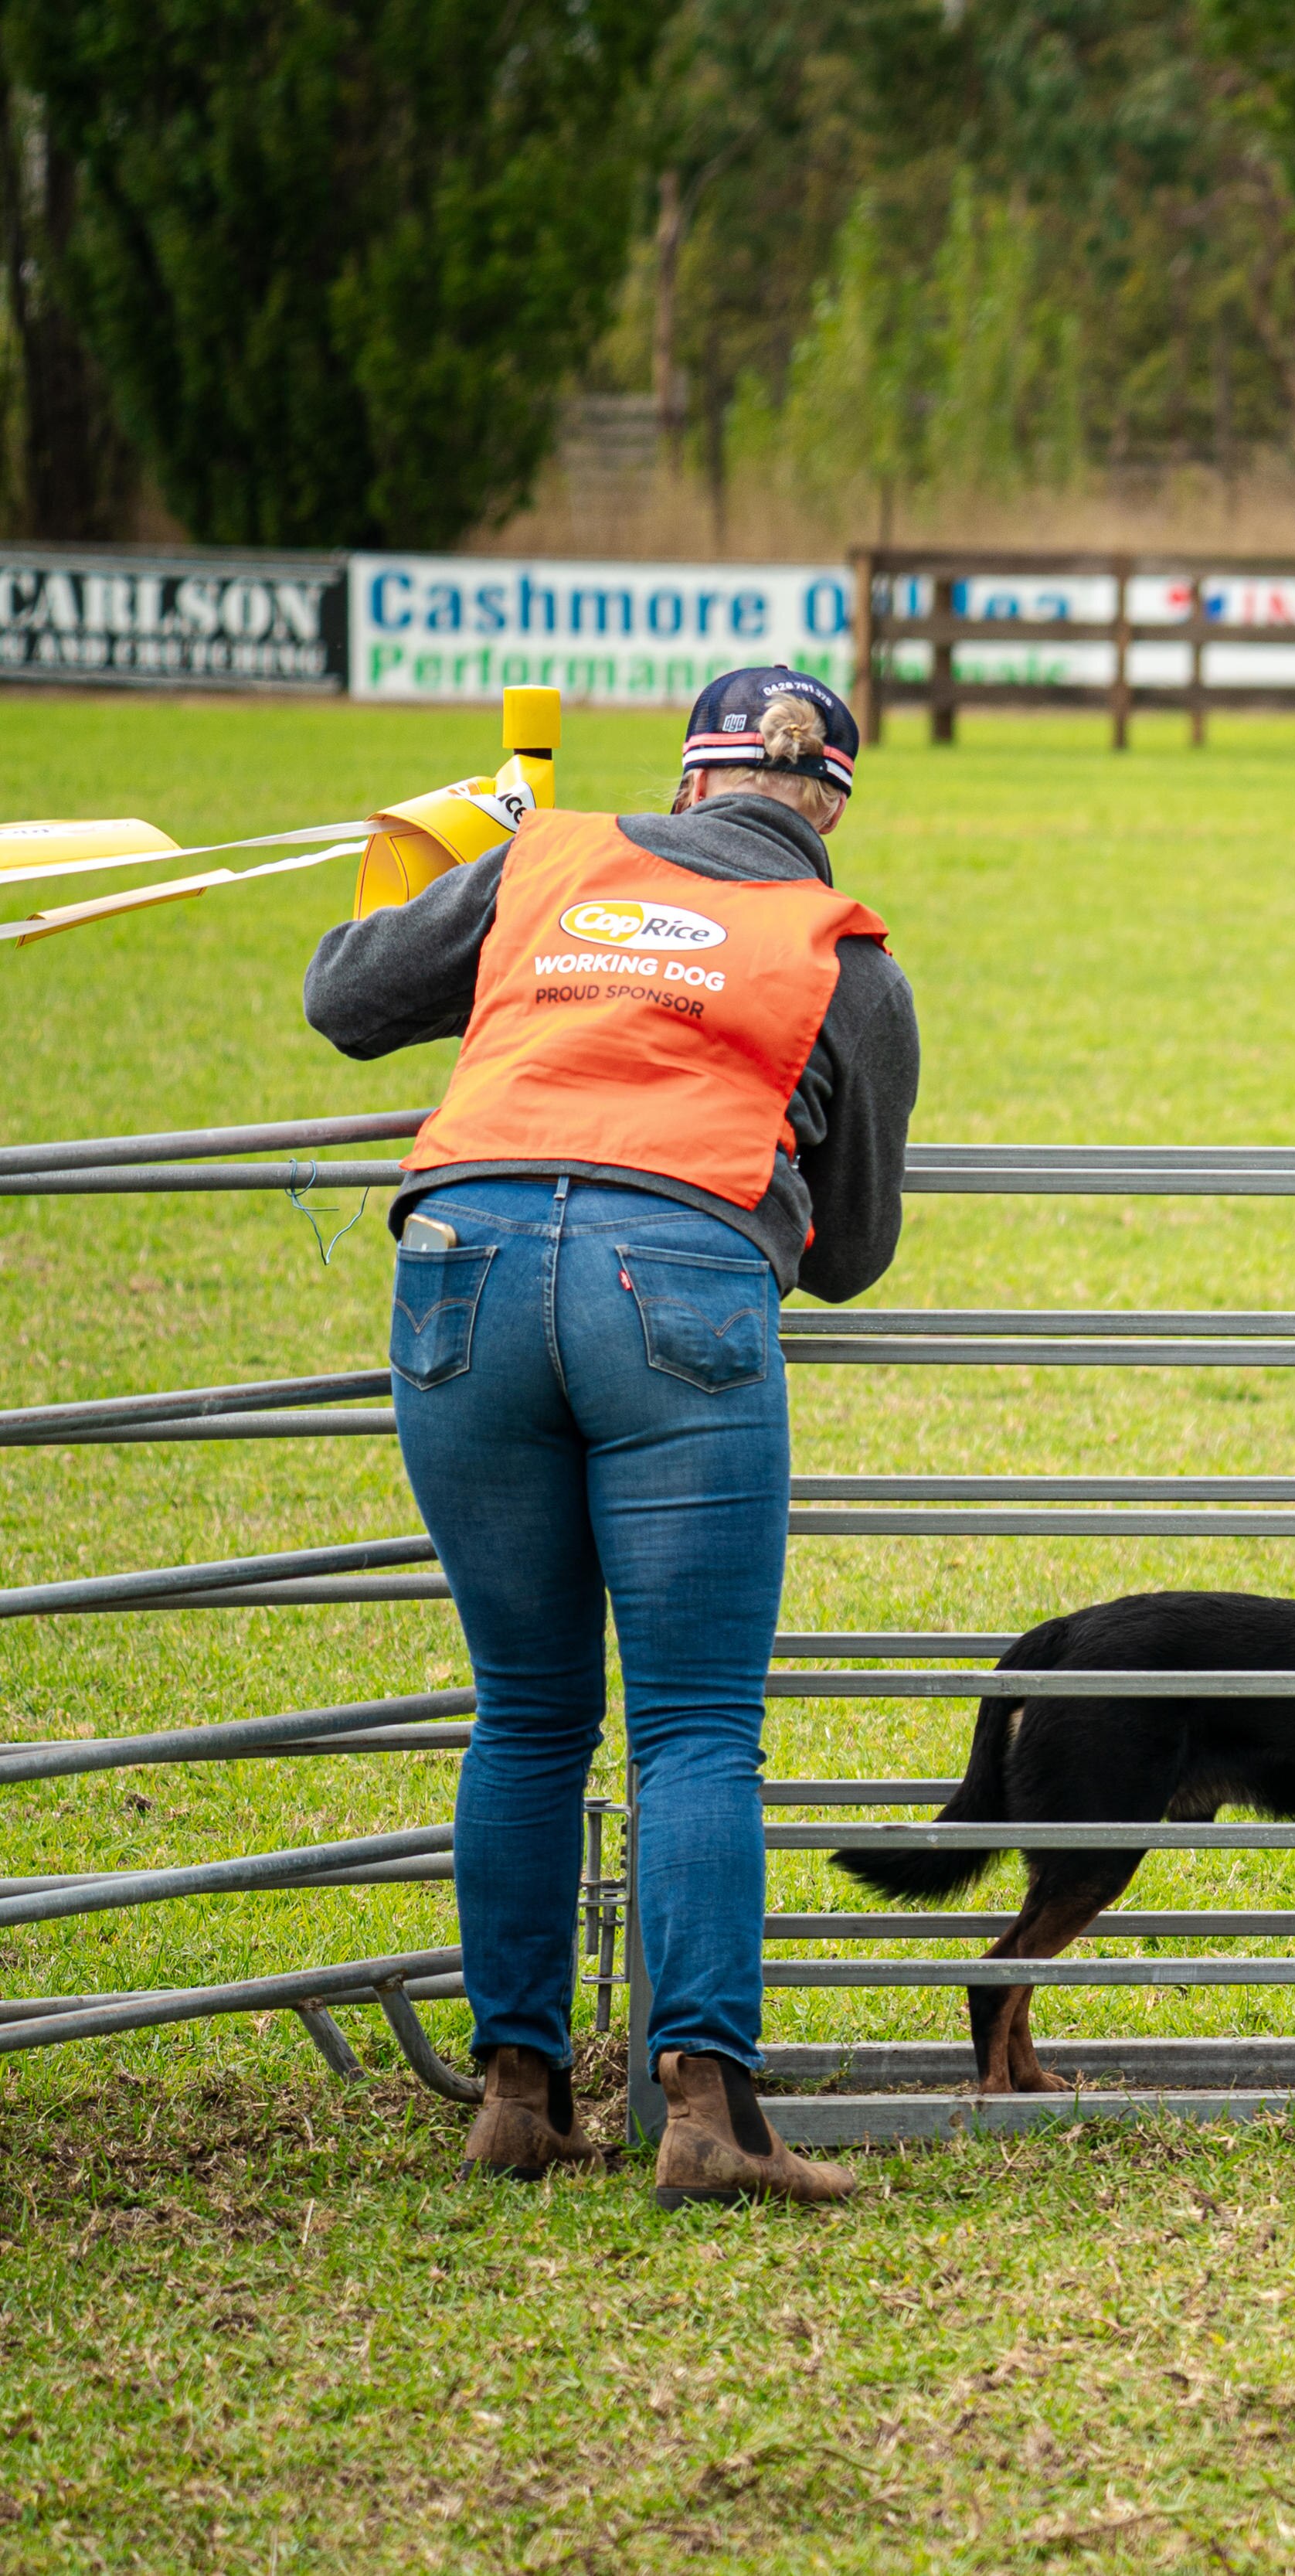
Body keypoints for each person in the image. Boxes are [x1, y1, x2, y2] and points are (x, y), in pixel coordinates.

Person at [305, 668, 919, 2207]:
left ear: (692, 778)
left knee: (525, 1708)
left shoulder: (548, 859)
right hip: (683, 1285)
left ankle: (517, 2089)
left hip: (463, 1260)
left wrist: (459, 850)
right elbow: (849, 1257)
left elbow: (341, 996)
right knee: (697, 1725)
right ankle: (707, 2109)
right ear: (829, 802)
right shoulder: (846, 958)